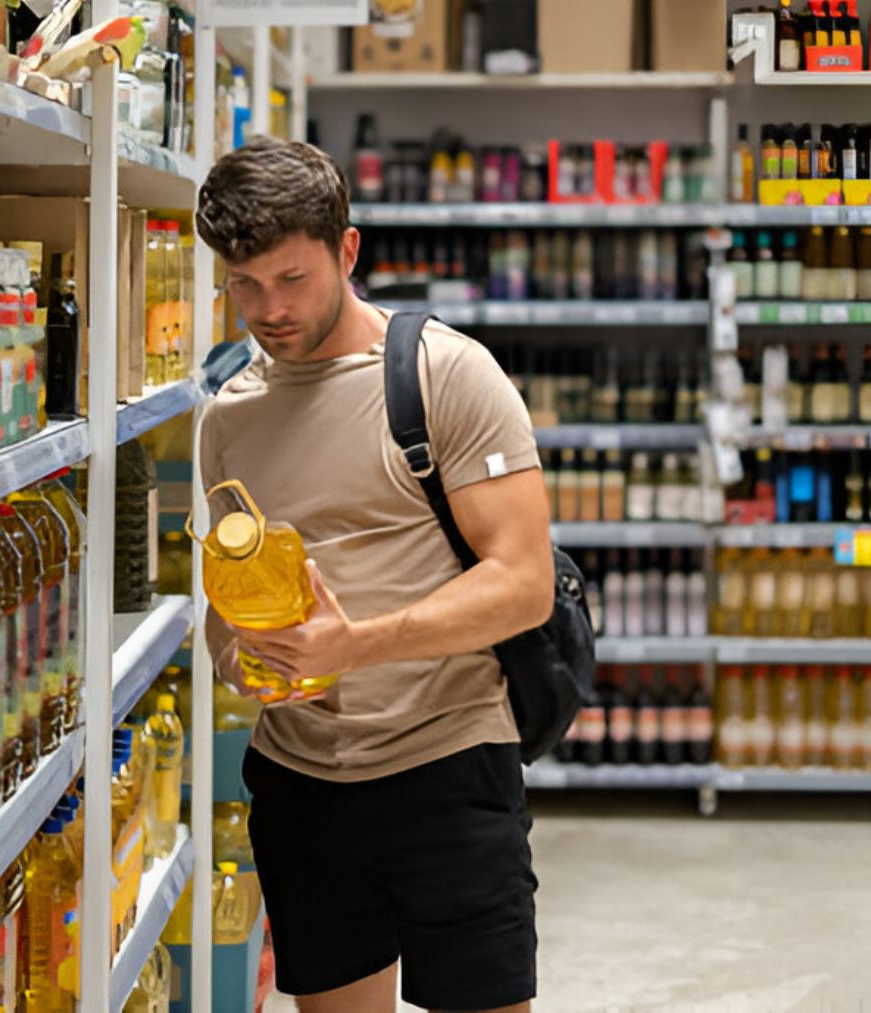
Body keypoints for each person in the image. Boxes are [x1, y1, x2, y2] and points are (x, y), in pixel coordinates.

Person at [193, 136, 553, 1013]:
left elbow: (522, 581)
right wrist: (237, 656)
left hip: (448, 764)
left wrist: (355, 644)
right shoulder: (227, 421)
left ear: (346, 251)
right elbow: (224, 602)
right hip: (302, 785)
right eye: (243, 285)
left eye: (292, 279)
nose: (267, 308)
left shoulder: (444, 375)